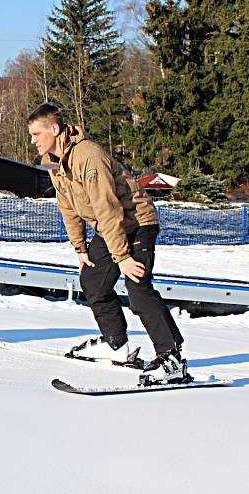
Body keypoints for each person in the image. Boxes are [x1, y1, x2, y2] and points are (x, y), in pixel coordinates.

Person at [28, 103, 185, 381]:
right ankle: (116, 345)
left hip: (136, 222)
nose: (33, 141)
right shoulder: (54, 162)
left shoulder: (87, 155)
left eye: (37, 134)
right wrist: (80, 249)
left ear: (54, 129)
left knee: (137, 287)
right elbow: (67, 206)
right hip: (110, 227)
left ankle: (171, 359)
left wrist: (123, 257)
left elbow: (107, 207)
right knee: (93, 281)